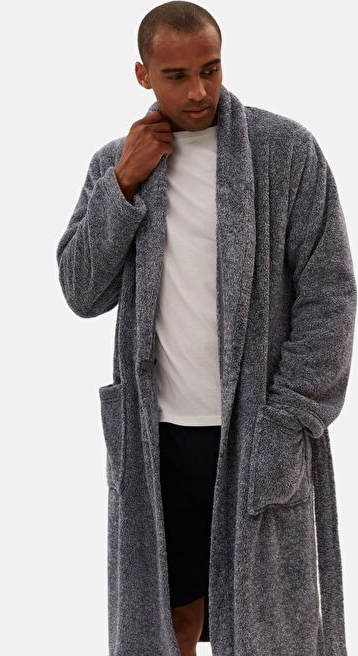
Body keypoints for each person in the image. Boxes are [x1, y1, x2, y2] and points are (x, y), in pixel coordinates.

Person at [56, 3, 356, 655]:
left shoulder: (285, 152)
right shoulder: (117, 163)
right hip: (158, 437)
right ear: (143, 75)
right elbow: (82, 291)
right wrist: (122, 185)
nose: (197, 90)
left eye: (210, 69)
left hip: (256, 432)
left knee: (270, 628)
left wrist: (289, 419)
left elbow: (329, 292)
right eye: (176, 75)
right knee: (171, 623)